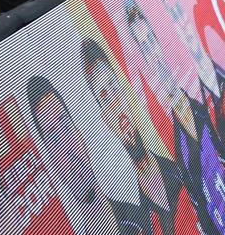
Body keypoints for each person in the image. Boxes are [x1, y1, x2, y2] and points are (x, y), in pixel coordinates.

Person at [123, 0, 225, 234]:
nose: (153, 53)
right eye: (144, 47)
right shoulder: (168, 140)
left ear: (161, 43)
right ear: (143, 60)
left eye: (151, 41)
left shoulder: (205, 98)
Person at [82, 37, 203, 235]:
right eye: (104, 96)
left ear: (127, 93)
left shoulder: (181, 163)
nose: (117, 106)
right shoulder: (132, 221)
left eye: (115, 88)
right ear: (105, 119)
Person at [26, 76, 147, 235]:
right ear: (51, 162)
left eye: (66, 126)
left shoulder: (142, 219)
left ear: (80, 135)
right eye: (53, 139)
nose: (67, 147)